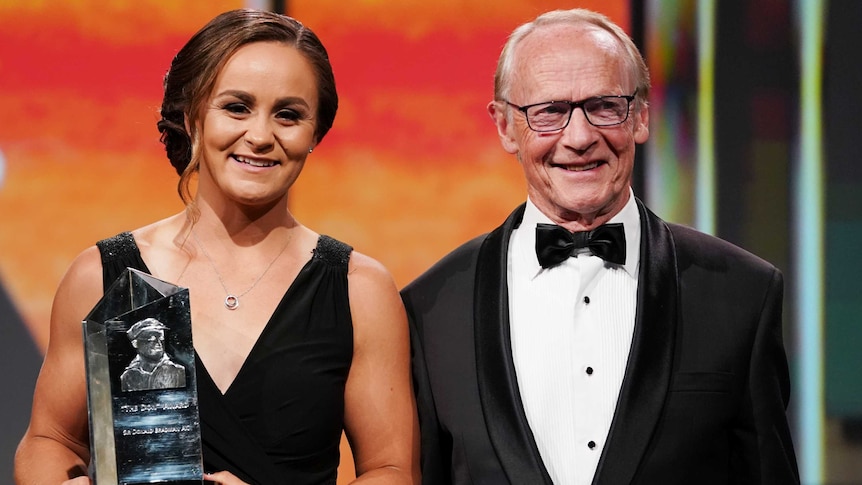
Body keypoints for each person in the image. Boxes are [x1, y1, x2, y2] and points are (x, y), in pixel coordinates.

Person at [15, 9, 419, 485]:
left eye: (288, 115)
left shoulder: (359, 291)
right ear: (192, 117)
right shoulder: (102, 277)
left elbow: (391, 471)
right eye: (236, 107)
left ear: (315, 134)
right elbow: (50, 440)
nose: (261, 136)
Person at [401, 8, 799, 485]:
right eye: (549, 112)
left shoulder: (742, 294)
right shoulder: (431, 308)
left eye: (605, 106)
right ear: (506, 127)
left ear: (641, 116)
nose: (580, 137)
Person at [120, 318, 186, 392]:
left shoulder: (178, 371)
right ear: (135, 343)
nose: (158, 343)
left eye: (161, 337)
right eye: (151, 338)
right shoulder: (128, 376)